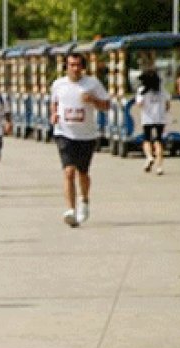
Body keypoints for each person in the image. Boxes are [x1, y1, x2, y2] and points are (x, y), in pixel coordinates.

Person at [50, 53, 110, 228]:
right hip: (64, 132)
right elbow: (54, 102)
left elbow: (106, 105)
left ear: (83, 67)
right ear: (66, 67)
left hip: (86, 135)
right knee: (69, 171)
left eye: (77, 65)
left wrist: (92, 100)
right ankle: (70, 210)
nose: (74, 68)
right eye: (71, 65)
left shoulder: (92, 84)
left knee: (82, 173)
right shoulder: (58, 84)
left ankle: (84, 199)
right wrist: (53, 113)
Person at [136, 69, 168, 175]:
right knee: (158, 140)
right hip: (160, 118)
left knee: (147, 139)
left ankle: (149, 157)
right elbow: (167, 104)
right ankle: (159, 167)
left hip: (147, 118)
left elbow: (139, 104)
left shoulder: (142, 90)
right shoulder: (162, 90)